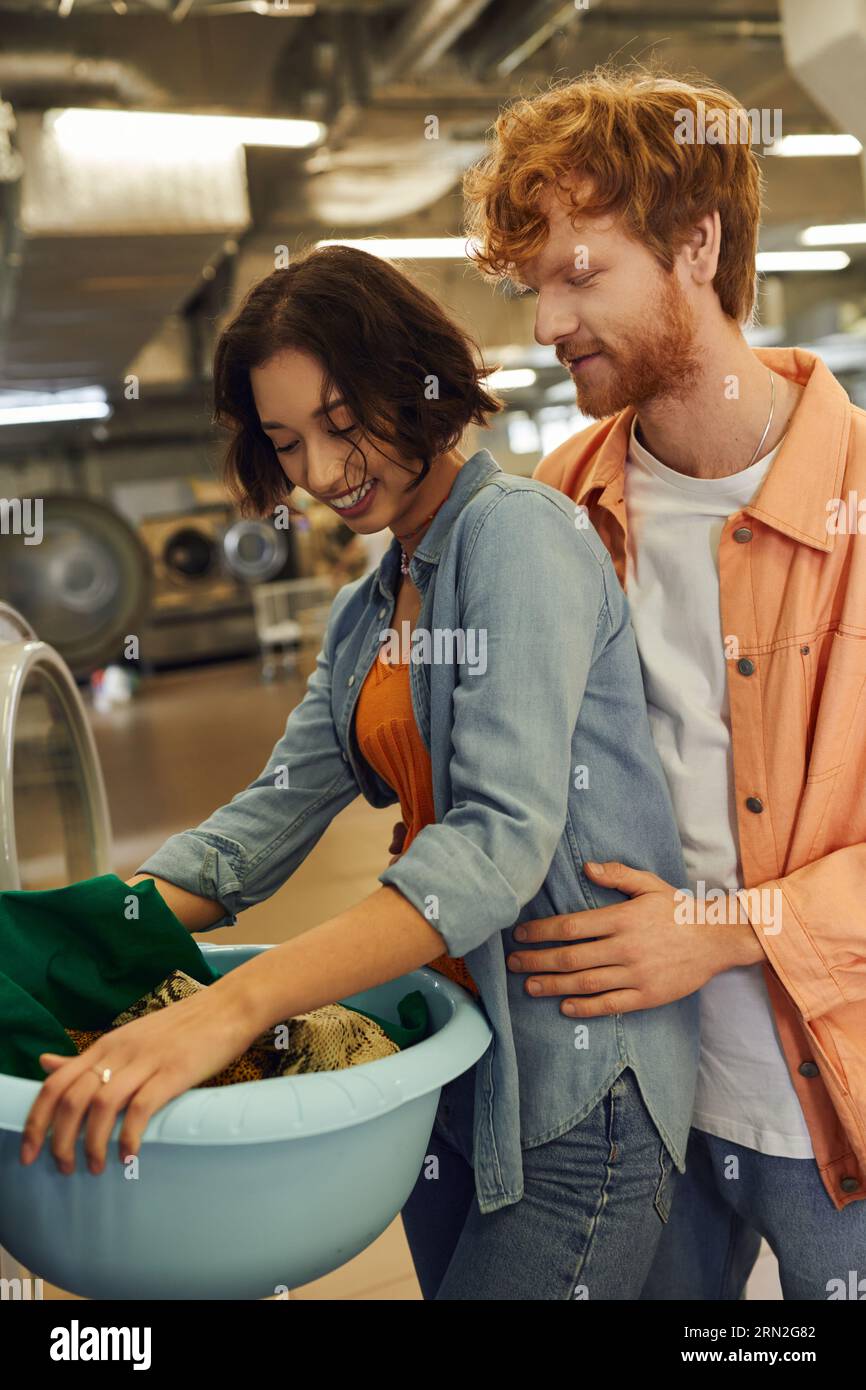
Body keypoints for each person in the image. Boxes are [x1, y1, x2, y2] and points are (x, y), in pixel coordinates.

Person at [19, 243, 699, 1300]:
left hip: (576, 1081)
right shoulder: (366, 611)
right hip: (455, 1060)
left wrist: (229, 1009)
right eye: (287, 442)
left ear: (410, 376)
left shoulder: (516, 538)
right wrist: (73, 939)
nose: (321, 472)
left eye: (343, 422)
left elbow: (492, 847)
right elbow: (265, 820)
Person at [461, 65, 866, 1300]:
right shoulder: (555, 502)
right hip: (641, 1109)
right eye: (534, 284)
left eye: (579, 275)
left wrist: (717, 932)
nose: (542, 324)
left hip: (832, 1113)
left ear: (697, 244)